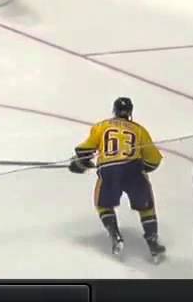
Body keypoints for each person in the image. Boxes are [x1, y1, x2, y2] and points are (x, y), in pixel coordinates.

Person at [70, 97, 166, 263]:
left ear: (114, 110)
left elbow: (85, 150)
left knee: (103, 205)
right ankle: (153, 243)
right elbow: (154, 160)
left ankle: (115, 235)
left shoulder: (102, 126)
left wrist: (80, 162)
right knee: (146, 206)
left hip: (109, 170)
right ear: (130, 112)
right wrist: (141, 168)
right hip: (133, 169)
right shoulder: (139, 130)